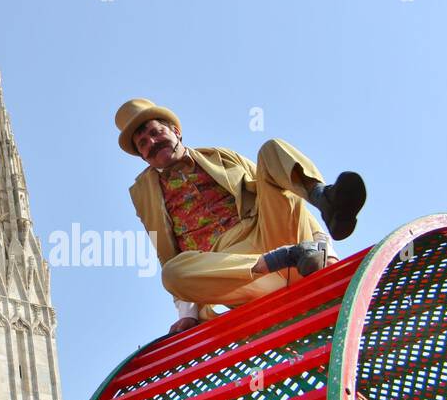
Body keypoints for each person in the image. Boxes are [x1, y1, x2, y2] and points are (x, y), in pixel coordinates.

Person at [114, 98, 367, 335]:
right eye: (143, 143)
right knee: (171, 273)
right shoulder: (145, 195)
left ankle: (326, 200)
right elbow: (165, 253)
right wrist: (188, 313)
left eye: (156, 132)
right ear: (141, 156)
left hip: (271, 233)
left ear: (176, 131)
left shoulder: (220, 156)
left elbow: (282, 188)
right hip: (237, 271)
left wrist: (326, 252)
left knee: (271, 151)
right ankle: (284, 258)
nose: (152, 142)